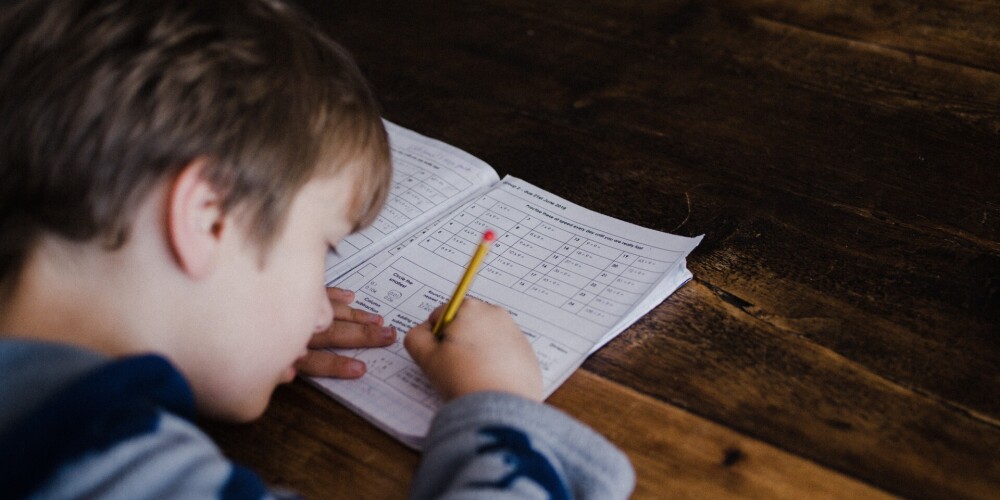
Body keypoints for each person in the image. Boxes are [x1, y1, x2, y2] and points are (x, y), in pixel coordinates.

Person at [0, 0, 636, 498]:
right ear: (209, 218)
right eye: (324, 248)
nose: (324, 312)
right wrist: (497, 406)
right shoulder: (89, 455)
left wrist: (220, 332)